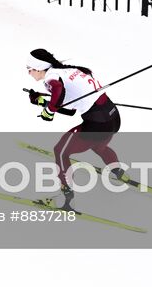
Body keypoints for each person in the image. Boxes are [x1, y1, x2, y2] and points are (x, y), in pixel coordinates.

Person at [25, 47, 124, 207]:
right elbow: (69, 108)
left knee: (60, 151)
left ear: (39, 67)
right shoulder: (67, 71)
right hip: (112, 117)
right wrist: (42, 101)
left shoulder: (52, 77)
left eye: (29, 69)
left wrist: (49, 111)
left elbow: (57, 90)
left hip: (97, 124)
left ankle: (65, 197)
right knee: (99, 147)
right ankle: (118, 171)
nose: (29, 73)